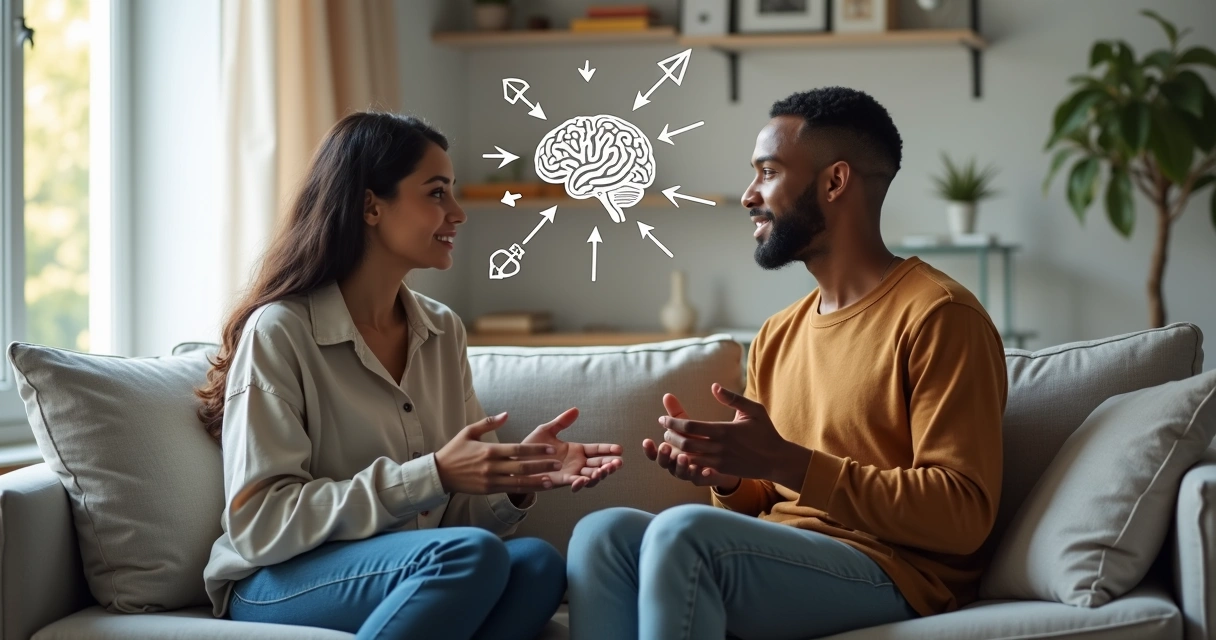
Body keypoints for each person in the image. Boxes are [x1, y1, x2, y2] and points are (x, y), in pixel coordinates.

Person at [566, 87, 1007, 640]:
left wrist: (792, 464)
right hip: (793, 555)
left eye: (768, 172)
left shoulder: (939, 315)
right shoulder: (778, 333)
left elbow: (962, 515)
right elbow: (765, 503)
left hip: (895, 570)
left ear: (834, 181)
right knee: (601, 534)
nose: (750, 194)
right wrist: (729, 478)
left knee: (683, 535)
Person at [196, 111, 624, 640]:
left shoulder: (442, 331)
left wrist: (513, 477)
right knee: (468, 557)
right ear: (371, 205)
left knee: (536, 564)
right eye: (436, 193)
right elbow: (262, 524)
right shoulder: (281, 330)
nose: (458, 213)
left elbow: (445, 522)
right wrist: (433, 474)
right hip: (277, 578)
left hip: (410, 565)